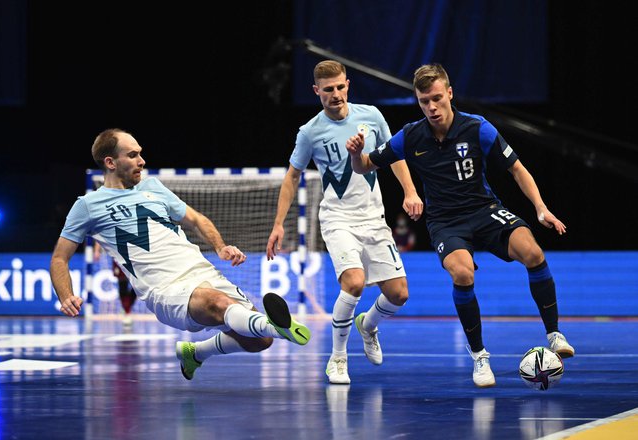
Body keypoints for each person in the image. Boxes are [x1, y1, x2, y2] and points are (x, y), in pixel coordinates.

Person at [346, 63, 575, 388]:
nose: (432, 107)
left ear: (449, 93)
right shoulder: (411, 136)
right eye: (425, 101)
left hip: (484, 210)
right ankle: (480, 356)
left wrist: (540, 208)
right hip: (446, 222)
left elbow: (517, 169)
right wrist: (357, 154)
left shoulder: (477, 128)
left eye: (437, 98)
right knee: (463, 273)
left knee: (533, 252)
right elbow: (364, 166)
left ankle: (554, 333)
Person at [50, 128, 311, 381]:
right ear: (110, 162)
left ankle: (196, 353)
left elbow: (196, 219)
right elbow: (60, 258)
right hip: (165, 290)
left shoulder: (153, 187)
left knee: (258, 341)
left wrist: (220, 247)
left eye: (140, 153)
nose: (141, 161)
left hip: (204, 273)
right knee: (220, 304)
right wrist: (66, 295)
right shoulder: (87, 206)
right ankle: (277, 327)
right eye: (132, 155)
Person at [265, 60, 423, 385]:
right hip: (337, 219)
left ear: (347, 85)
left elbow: (395, 156)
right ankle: (337, 357)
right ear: (316, 92)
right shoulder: (310, 132)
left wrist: (410, 191)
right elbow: (292, 177)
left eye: (339, 87)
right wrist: (278, 224)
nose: (335, 95)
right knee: (352, 282)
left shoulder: (372, 117)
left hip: (373, 218)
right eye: (327, 90)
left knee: (399, 294)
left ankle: (368, 325)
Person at [93, 241, 137, 326]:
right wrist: (97, 250)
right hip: (118, 254)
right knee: (122, 283)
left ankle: (127, 307)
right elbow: (99, 231)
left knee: (137, 285)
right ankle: (127, 311)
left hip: (134, 253)